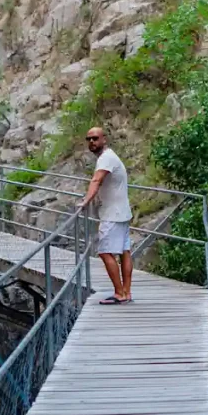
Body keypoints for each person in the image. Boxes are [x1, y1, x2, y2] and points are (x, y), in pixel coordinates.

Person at [79, 127, 134, 305]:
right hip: (122, 212)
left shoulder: (106, 158)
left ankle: (119, 293)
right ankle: (126, 292)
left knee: (104, 252)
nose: (91, 142)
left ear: (104, 139)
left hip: (113, 215)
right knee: (124, 252)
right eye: (88, 139)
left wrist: (86, 201)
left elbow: (97, 179)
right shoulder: (110, 156)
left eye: (95, 138)